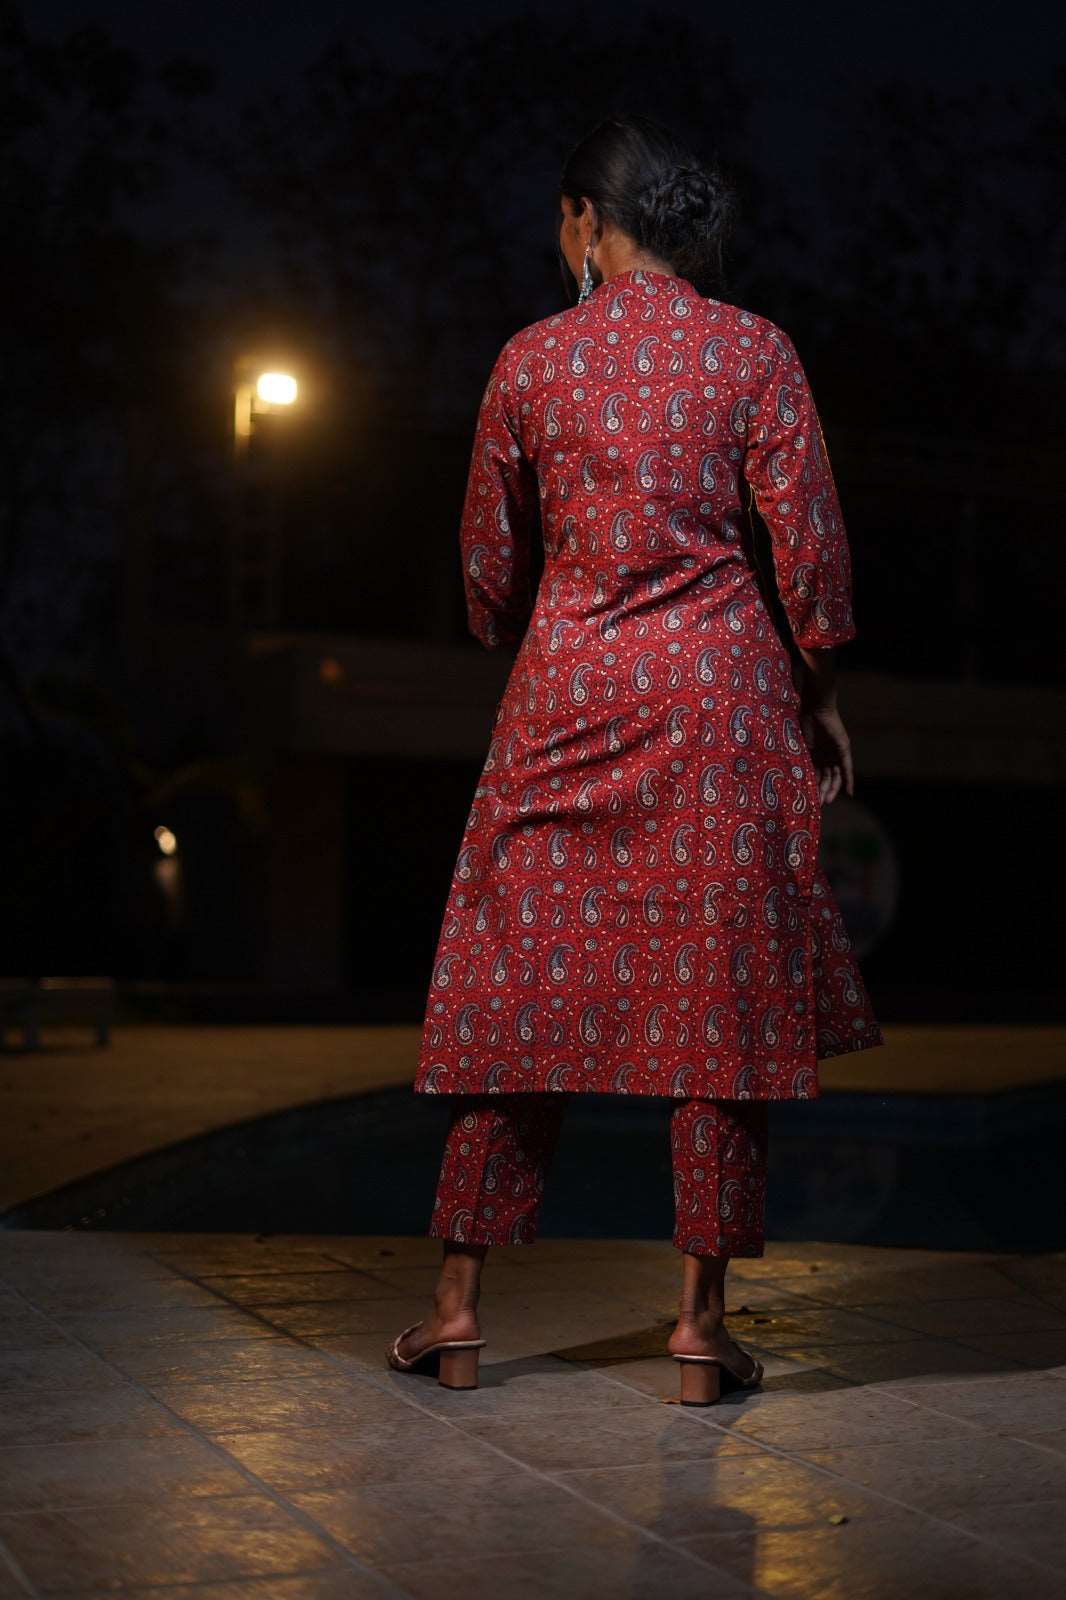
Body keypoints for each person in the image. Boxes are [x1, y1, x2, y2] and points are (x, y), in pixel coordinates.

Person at [387, 112, 884, 1404]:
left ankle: (454, 1308)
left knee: (514, 995)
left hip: (564, 701)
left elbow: (487, 566)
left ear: (582, 223)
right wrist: (821, 692)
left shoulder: (530, 361)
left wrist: (521, 622)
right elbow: (812, 559)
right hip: (721, 706)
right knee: (717, 1010)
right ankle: (699, 1325)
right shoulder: (753, 349)